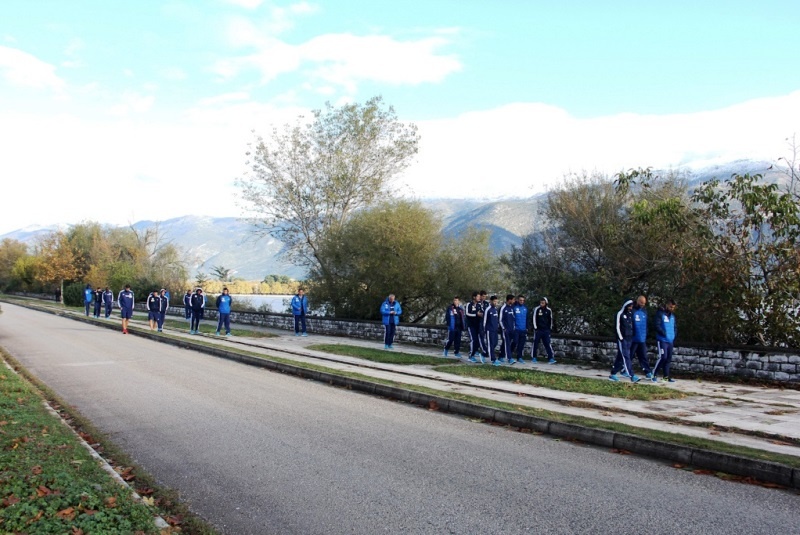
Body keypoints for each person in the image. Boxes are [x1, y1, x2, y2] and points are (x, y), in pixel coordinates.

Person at [610, 299, 640, 382]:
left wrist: (632, 335)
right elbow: (617, 327)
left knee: (621, 356)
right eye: (629, 306)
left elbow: (631, 326)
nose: (631, 308)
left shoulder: (630, 314)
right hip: (622, 339)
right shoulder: (619, 314)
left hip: (629, 338)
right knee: (626, 356)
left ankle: (613, 373)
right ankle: (631, 375)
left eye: (632, 306)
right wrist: (621, 338)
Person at [652, 299, 678, 383]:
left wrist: (674, 335)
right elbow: (657, 325)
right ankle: (654, 374)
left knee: (668, 359)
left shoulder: (672, 316)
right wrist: (664, 333)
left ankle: (666, 376)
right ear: (667, 305)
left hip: (670, 340)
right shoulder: (660, 314)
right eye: (671, 307)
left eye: (673, 307)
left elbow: (675, 327)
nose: (672, 309)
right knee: (663, 357)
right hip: (662, 340)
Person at [631, 295, 653, 378]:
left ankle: (647, 372)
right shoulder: (632, 310)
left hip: (642, 338)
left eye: (644, 303)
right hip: (633, 338)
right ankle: (625, 369)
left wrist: (645, 333)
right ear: (638, 301)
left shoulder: (644, 311)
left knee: (643, 356)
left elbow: (646, 324)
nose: (642, 304)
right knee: (630, 355)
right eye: (641, 302)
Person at [531, 297, 556, 364]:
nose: (541, 304)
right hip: (538, 330)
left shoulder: (549, 310)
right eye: (541, 303)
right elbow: (534, 318)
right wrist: (535, 327)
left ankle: (550, 358)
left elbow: (550, 319)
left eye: (543, 303)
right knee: (535, 343)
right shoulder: (537, 309)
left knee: (547, 343)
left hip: (546, 330)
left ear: (546, 303)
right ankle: (534, 357)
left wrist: (549, 328)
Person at [465, 292, 483, 363]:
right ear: (474, 297)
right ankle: (470, 356)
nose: (479, 298)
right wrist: (476, 314)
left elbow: (482, 312)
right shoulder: (469, 304)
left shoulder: (479, 305)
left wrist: (481, 314)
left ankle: (475, 352)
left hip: (477, 325)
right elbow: (467, 313)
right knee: (473, 340)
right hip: (471, 325)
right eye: (478, 296)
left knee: (478, 340)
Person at [499, 294, 516, 364]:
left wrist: (514, 327)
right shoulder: (503, 308)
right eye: (513, 300)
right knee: (507, 343)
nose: (514, 301)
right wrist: (503, 328)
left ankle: (501, 356)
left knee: (506, 343)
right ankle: (509, 358)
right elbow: (500, 319)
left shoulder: (512, 308)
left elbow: (513, 318)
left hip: (511, 329)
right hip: (505, 329)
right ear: (509, 300)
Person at [512, 295, 529, 364]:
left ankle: (519, 357)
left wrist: (527, 327)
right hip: (516, 329)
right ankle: (510, 353)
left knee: (521, 344)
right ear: (518, 300)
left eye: (523, 300)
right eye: (520, 300)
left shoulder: (525, 308)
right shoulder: (514, 308)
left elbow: (527, 319)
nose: (522, 301)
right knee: (515, 341)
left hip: (523, 329)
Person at [483, 295, 499, 364]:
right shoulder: (488, 309)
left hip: (495, 330)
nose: (495, 303)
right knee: (490, 344)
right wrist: (485, 330)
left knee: (495, 343)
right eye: (494, 301)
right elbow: (484, 321)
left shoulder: (495, 310)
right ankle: (493, 359)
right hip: (489, 330)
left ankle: (484, 354)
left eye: (496, 302)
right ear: (491, 301)